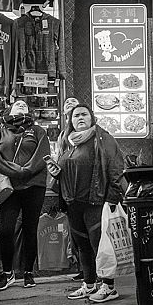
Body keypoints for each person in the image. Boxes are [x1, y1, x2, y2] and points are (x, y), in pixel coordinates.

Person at [46, 103, 124, 303]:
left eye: (84, 114)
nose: (80, 118)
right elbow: (65, 169)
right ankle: (89, 284)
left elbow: (116, 168)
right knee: (82, 245)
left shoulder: (103, 139)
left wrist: (112, 198)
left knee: (100, 244)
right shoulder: (67, 141)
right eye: (75, 116)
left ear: (92, 118)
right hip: (73, 203)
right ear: (70, 121)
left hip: (96, 202)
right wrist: (56, 173)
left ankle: (108, 286)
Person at [0, 99, 50, 290]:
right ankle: (7, 273)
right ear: (10, 110)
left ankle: (28, 272)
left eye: (24, 105)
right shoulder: (0, 133)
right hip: (9, 188)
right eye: (17, 104)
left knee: (30, 228)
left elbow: (43, 154)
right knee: (6, 229)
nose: (21, 105)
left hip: (34, 186)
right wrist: (16, 171)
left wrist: (26, 171)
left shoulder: (38, 131)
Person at [53, 96, 85, 282]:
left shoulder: (89, 133)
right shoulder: (63, 135)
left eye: (76, 105)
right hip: (68, 187)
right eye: (68, 105)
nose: (71, 106)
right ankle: (83, 267)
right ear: (66, 114)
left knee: (87, 231)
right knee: (76, 231)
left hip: (83, 188)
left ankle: (91, 270)